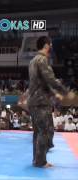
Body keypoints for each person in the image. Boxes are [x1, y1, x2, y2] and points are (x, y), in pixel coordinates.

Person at [28, 36, 74, 168]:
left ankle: (37, 160)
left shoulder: (32, 61)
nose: (52, 47)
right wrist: (66, 92)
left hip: (34, 100)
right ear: (46, 45)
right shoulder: (42, 60)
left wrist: (55, 94)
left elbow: (42, 83)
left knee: (38, 132)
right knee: (45, 131)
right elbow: (51, 80)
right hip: (41, 102)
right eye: (51, 44)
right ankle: (40, 161)